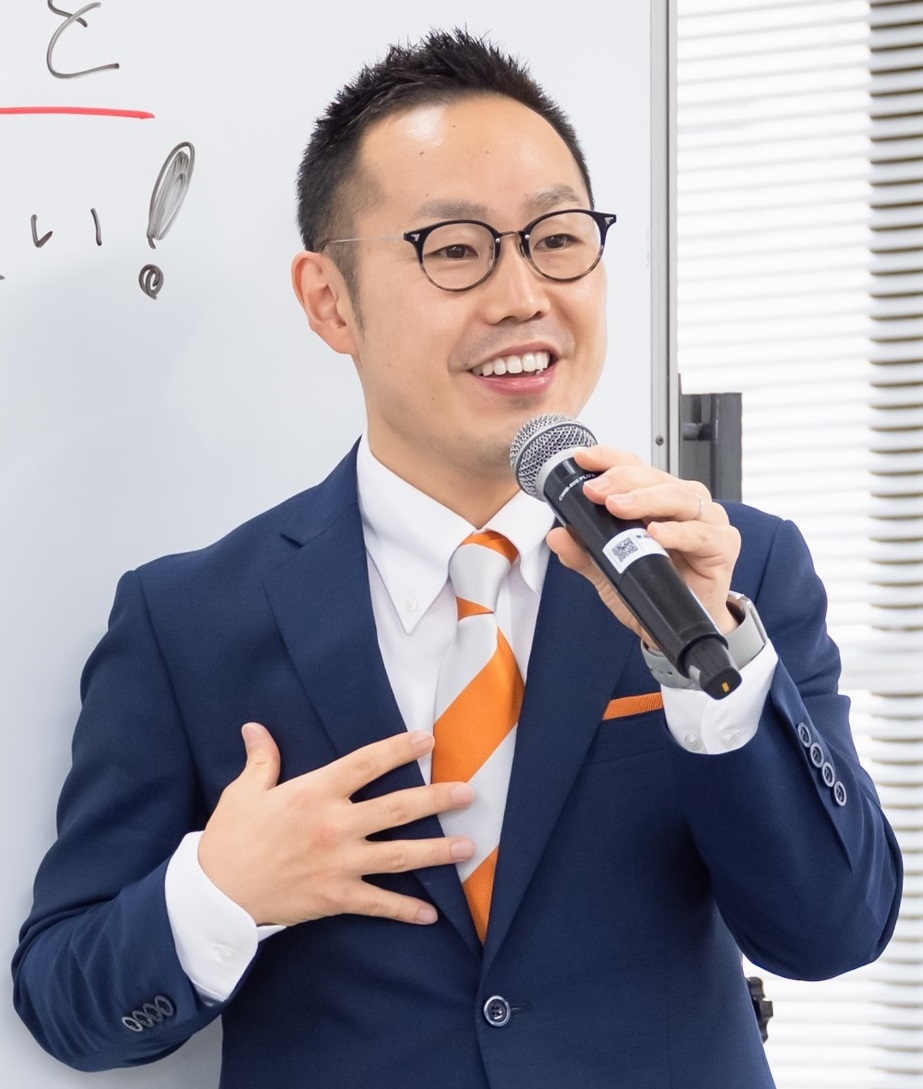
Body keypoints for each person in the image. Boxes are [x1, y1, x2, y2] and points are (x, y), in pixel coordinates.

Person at [12, 28, 902, 1089]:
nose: (522, 295)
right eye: (453, 249)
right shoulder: (189, 620)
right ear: (328, 300)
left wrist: (707, 665)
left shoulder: (728, 570)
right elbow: (67, 1002)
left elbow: (832, 931)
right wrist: (222, 889)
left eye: (557, 239)